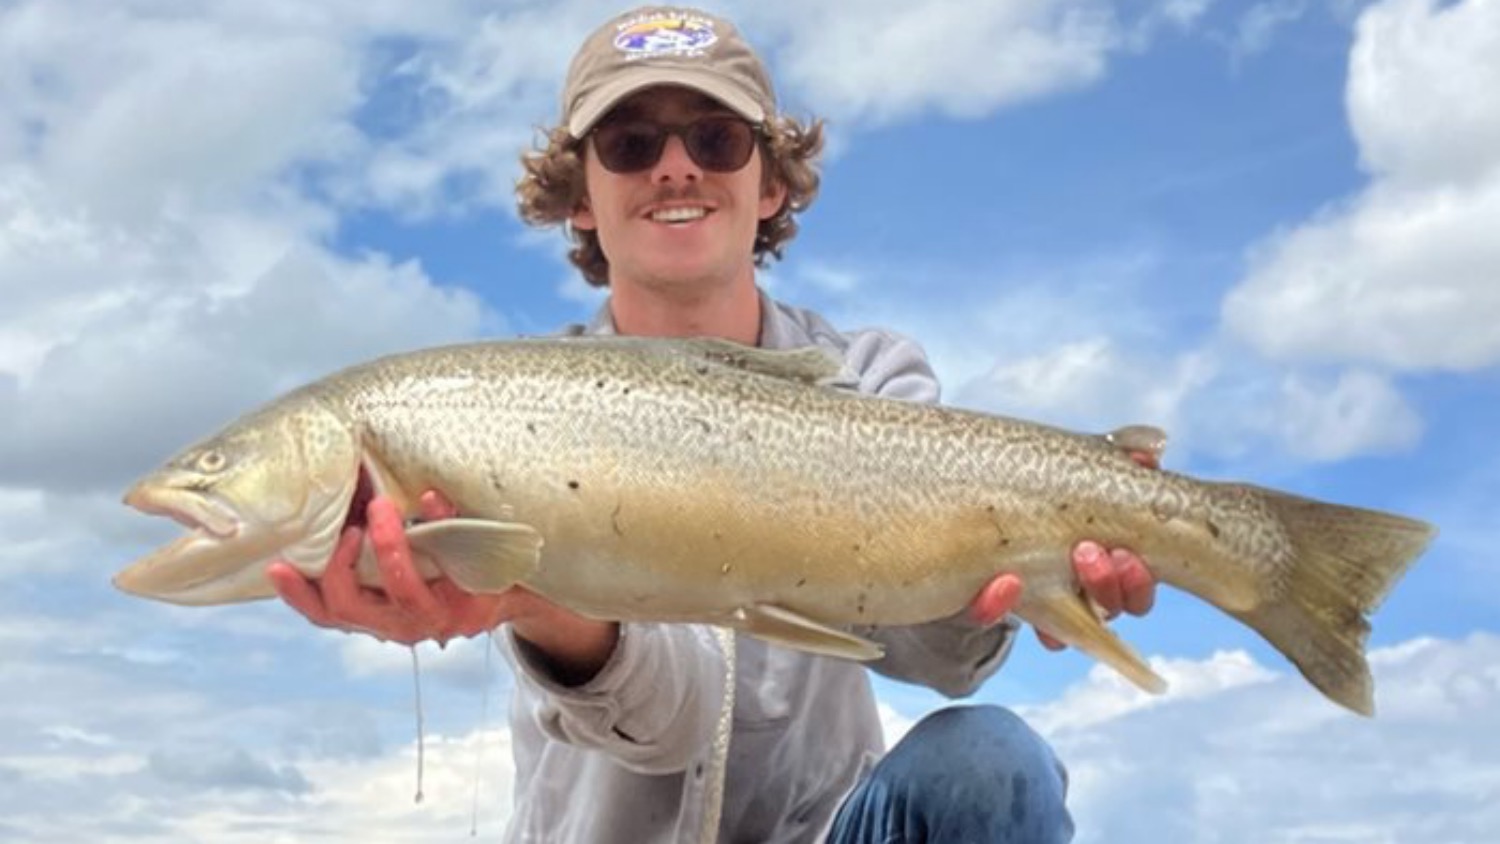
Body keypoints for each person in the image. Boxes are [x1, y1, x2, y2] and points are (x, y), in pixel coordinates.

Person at [267, 6, 1157, 842]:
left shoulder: (872, 377)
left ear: (770, 184)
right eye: (629, 142)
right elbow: (668, 727)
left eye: (717, 138)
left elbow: (944, 666)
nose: (676, 166)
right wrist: (539, 608)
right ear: (581, 195)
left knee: (989, 763)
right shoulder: (511, 411)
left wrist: (1018, 582)